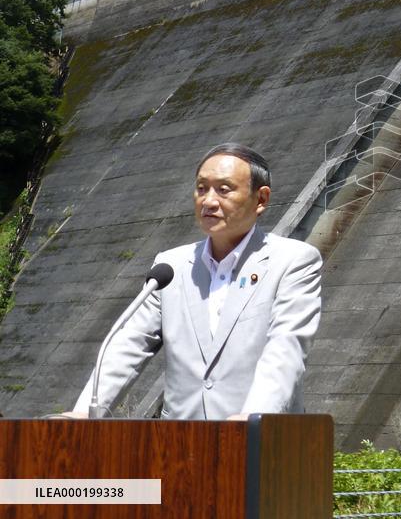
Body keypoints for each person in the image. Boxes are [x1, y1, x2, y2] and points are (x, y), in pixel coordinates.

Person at [67, 143, 322, 420]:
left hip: (260, 444)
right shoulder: (170, 267)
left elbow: (285, 349)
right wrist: (82, 415)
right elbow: (127, 345)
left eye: (224, 190)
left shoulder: (293, 261)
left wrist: (254, 418)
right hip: (179, 447)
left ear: (260, 199)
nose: (209, 201)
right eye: (202, 188)